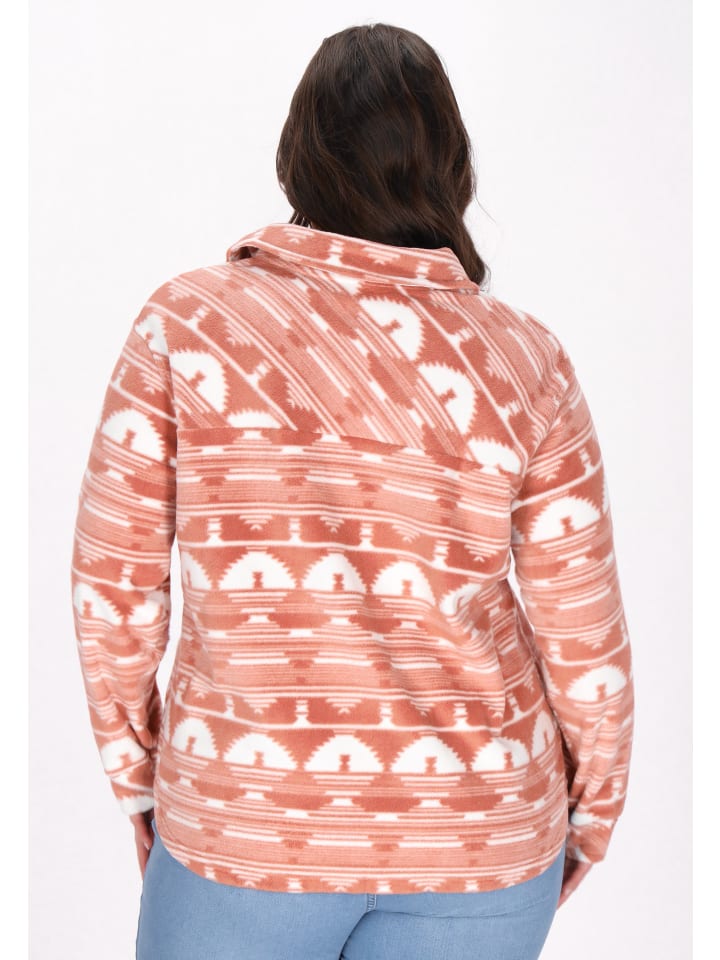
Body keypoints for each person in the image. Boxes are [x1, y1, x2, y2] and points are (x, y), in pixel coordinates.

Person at [70, 22, 635, 960]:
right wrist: (592, 811)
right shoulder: (527, 360)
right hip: (480, 834)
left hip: (244, 825)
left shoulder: (188, 323)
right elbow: (584, 628)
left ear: (297, 153)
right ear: (450, 165)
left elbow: (113, 588)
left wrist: (141, 777)